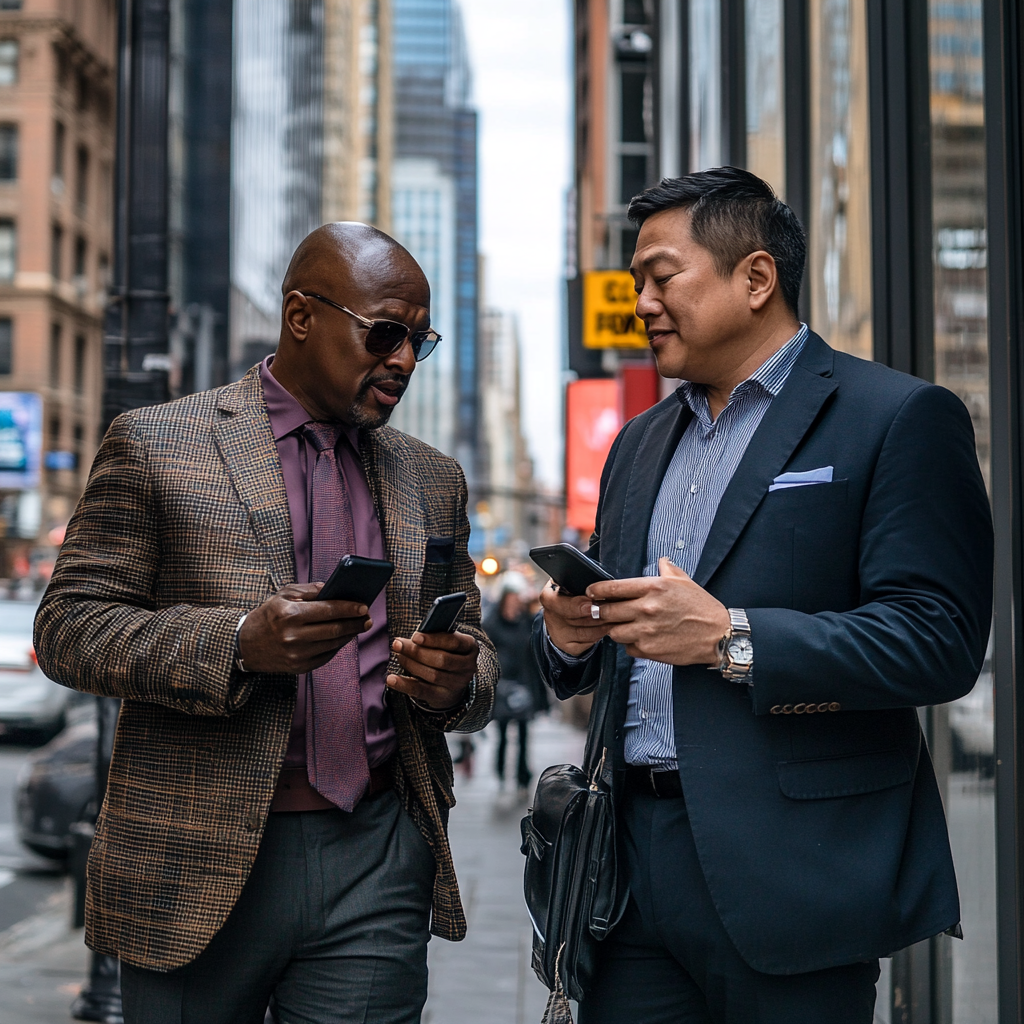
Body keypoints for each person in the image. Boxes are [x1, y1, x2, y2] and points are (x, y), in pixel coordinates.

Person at [535, 167, 993, 1024]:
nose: (640, 301)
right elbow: (597, 650)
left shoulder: (895, 416)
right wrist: (571, 636)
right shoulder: (638, 444)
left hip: (798, 875)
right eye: (635, 282)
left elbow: (939, 640)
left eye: (661, 276)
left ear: (755, 278)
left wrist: (730, 638)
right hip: (628, 875)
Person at [34, 222, 497, 1024]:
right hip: (196, 857)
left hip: (379, 852)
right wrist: (238, 643)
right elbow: (70, 627)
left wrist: (460, 680)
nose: (401, 360)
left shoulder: (433, 477)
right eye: (385, 333)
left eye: (418, 342)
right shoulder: (157, 445)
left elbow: (479, 654)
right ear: (300, 316)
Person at [484, 574, 549, 792]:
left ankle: (523, 775)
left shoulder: (527, 623)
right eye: (510, 598)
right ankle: (501, 771)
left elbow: (535, 654)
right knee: (502, 733)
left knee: (523, 734)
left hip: (524, 684)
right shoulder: (492, 624)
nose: (513, 602)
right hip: (503, 686)